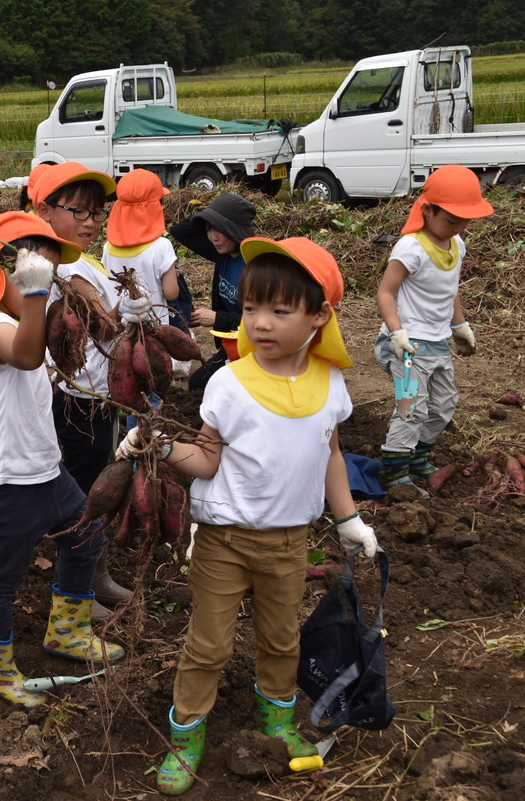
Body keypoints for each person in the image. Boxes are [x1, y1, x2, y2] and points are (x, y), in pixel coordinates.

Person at [117, 237, 378, 795]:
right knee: (208, 644)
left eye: (280, 310)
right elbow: (207, 460)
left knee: (281, 640)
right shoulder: (230, 383)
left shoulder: (331, 382)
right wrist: (160, 446)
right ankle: (186, 734)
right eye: (252, 307)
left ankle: (277, 721)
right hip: (224, 540)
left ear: (318, 316)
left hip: (289, 541)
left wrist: (348, 520)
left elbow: (332, 455)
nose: (259, 322)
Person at [0, 210, 124, 707]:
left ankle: (67, 632)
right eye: (33, 276)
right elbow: (26, 355)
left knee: (86, 535)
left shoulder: (24, 320)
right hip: (8, 483)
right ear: (0, 273)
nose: (44, 289)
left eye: (48, 279)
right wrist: (35, 295)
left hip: (47, 472)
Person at [27, 162, 142, 619]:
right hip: (79, 400)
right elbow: (102, 325)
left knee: (95, 487)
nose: (91, 222)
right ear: (44, 210)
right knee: (87, 496)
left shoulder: (78, 259)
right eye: (78, 211)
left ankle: (95, 576)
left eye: (97, 213)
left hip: (95, 395)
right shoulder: (58, 266)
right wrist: (129, 312)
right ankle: (78, 588)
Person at [374, 165, 493, 490]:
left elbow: (451, 290)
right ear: (427, 210)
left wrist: (460, 325)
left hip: (437, 344)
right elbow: (385, 293)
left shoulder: (456, 245)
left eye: (465, 221)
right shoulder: (411, 248)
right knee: (411, 407)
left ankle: (417, 456)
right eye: (452, 220)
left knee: (443, 406)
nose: (459, 227)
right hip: (407, 345)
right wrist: (397, 332)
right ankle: (397, 475)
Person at [101, 169, 193, 377]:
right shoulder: (161, 246)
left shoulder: (108, 247)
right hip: (153, 330)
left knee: (125, 374)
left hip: (120, 328)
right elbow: (171, 293)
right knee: (153, 374)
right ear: (155, 207)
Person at [169, 192, 257, 392]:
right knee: (197, 384)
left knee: (209, 388)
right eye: (209, 229)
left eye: (220, 229)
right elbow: (180, 230)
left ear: (236, 229)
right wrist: (212, 214)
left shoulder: (256, 266)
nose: (213, 237)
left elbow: (265, 321)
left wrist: (217, 318)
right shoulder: (223, 253)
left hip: (256, 349)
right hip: (231, 346)